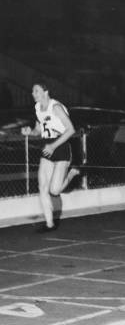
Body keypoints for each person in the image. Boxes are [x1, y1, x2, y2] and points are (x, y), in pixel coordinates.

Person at [21, 82, 80, 232]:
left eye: (36, 91)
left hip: (60, 147)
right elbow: (38, 130)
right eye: (32, 91)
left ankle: (72, 173)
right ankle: (49, 224)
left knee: (54, 190)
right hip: (47, 147)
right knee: (42, 187)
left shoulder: (56, 108)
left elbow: (71, 130)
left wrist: (53, 146)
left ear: (46, 92)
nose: (33, 94)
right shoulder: (37, 108)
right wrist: (30, 131)